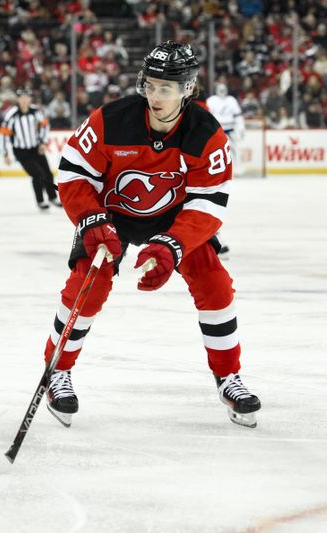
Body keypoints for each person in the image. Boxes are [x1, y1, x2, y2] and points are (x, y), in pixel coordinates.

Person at [43, 41, 261, 429]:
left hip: (174, 218)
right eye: (151, 85)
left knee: (214, 282)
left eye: (166, 88)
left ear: (188, 89)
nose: (155, 95)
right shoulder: (111, 119)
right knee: (88, 285)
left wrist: (172, 244)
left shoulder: (206, 133)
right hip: (111, 214)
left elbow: (209, 203)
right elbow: (74, 174)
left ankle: (228, 376)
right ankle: (58, 370)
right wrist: (92, 221)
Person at [0, 88, 62, 211]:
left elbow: (44, 125)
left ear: (30, 99)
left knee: (48, 173)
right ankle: (40, 201)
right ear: (18, 99)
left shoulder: (35, 111)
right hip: (21, 150)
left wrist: (43, 142)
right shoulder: (12, 114)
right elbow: (3, 134)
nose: (24, 100)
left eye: (26, 97)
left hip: (35, 148)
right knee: (37, 174)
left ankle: (52, 197)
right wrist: (5, 153)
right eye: (21, 97)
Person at [205, 82, 246, 257]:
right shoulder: (210, 103)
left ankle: (213, 237)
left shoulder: (229, 101)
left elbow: (237, 116)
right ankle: (212, 238)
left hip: (223, 134)